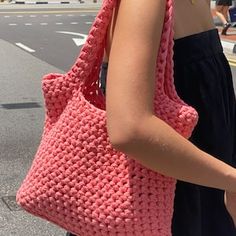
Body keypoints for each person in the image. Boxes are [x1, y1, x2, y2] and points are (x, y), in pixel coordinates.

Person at [67, 0, 236, 235]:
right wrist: (231, 180)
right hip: (162, 203)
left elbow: (216, 114)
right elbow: (130, 130)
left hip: (201, 188)